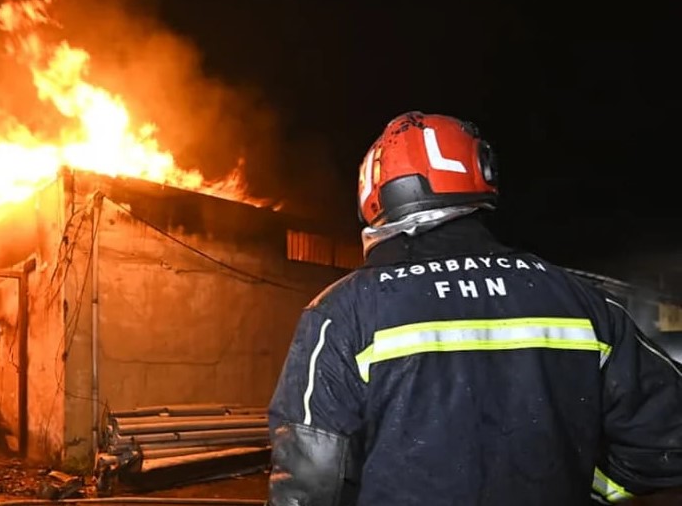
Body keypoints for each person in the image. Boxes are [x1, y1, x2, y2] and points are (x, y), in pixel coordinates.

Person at [267, 111, 682, 505]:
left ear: (373, 195)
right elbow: (664, 446)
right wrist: (572, 478)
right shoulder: (581, 301)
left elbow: (311, 479)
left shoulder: (343, 313)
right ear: (482, 173)